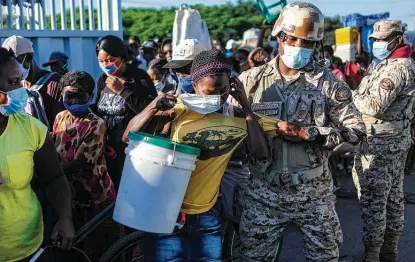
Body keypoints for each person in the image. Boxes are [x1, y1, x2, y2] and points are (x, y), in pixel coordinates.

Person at [236, 2, 365, 261]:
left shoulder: (330, 85)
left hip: (314, 195)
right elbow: (228, 127)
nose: (299, 48)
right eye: (293, 39)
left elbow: (357, 135)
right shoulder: (250, 81)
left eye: (308, 43)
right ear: (280, 37)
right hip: (263, 193)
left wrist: (308, 133)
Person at [123, 49, 272, 261]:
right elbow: (129, 137)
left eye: (222, 91)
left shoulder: (236, 115)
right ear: (194, 85)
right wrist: (152, 106)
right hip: (166, 210)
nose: (216, 98)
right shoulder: (177, 109)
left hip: (207, 214)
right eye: (209, 92)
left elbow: (260, 152)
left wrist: (244, 103)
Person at [0, 47, 75, 262]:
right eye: (13, 83)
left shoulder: (31, 129)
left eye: (21, 81)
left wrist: (65, 218)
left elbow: (54, 178)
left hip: (27, 247)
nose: (21, 89)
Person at [352, 20, 415, 262]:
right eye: (375, 39)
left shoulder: (396, 69)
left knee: (374, 202)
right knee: (392, 198)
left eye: (382, 39)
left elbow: (373, 106)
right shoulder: (386, 64)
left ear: (397, 39)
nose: (378, 43)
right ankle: (389, 252)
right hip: (391, 140)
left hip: (380, 143)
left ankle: (373, 254)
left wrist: (347, 96)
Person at [52, 70, 122, 260]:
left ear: (91, 97)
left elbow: (80, 161)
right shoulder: (60, 118)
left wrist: (50, 174)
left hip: (96, 197)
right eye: (70, 96)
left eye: (80, 96)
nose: (74, 101)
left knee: (101, 249)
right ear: (62, 95)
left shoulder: (96, 124)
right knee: (75, 249)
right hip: (71, 198)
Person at [93, 35, 157, 190]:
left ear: (121, 57)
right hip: (107, 147)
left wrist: (123, 91)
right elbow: (98, 111)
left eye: (109, 60)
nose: (105, 65)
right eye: (101, 61)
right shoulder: (103, 79)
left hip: (131, 149)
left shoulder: (139, 77)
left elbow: (151, 109)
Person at [2, 35, 64, 129]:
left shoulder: (55, 83)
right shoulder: (17, 88)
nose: (12, 67)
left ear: (29, 58)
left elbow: (62, 125)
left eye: (15, 62)